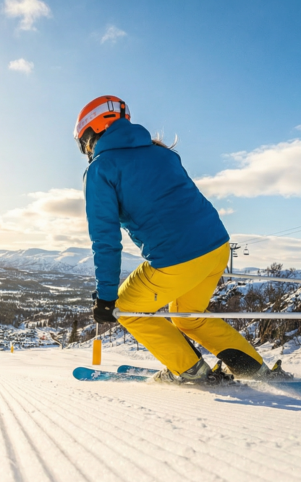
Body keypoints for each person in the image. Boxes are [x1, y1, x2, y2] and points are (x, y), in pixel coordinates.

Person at [75, 95, 288, 384]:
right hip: (216, 247)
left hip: (178, 259)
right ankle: (254, 370)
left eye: (84, 143)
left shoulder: (101, 167)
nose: (86, 149)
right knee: (189, 316)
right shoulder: (162, 153)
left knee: (127, 309)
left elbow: (105, 239)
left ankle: (191, 371)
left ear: (92, 132)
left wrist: (106, 297)